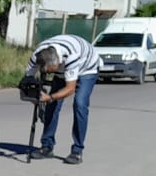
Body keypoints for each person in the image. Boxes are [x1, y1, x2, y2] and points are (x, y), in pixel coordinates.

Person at [25, 34, 100, 165]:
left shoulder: (71, 56)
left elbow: (70, 89)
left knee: (79, 104)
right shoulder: (38, 55)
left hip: (87, 67)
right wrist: (35, 97)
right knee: (51, 106)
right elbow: (26, 82)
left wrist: (50, 97)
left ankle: (77, 151)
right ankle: (47, 146)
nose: (47, 73)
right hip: (63, 69)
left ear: (57, 62)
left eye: (49, 70)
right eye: (44, 71)